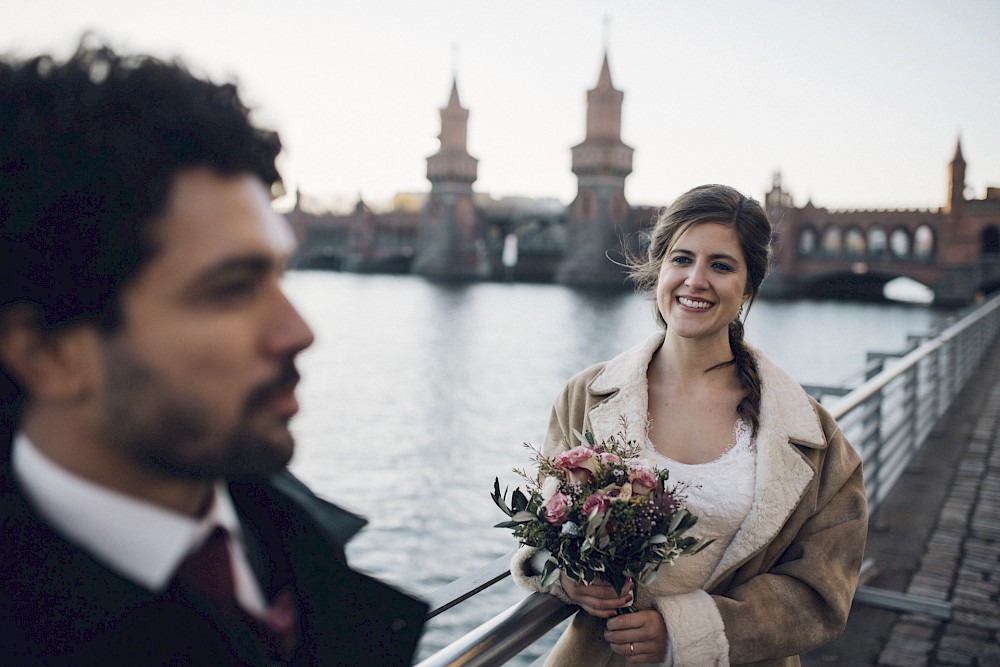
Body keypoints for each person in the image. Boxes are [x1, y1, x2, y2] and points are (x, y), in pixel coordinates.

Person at [0, 41, 427, 665]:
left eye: (282, 276)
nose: (299, 331)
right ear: (48, 355)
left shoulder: (298, 550)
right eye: (231, 289)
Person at [511, 184, 868, 666]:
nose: (695, 280)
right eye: (681, 259)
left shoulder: (814, 436)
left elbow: (822, 592)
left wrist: (690, 633)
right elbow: (538, 531)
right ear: (658, 268)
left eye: (721, 266)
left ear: (748, 288)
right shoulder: (583, 397)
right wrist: (566, 575)